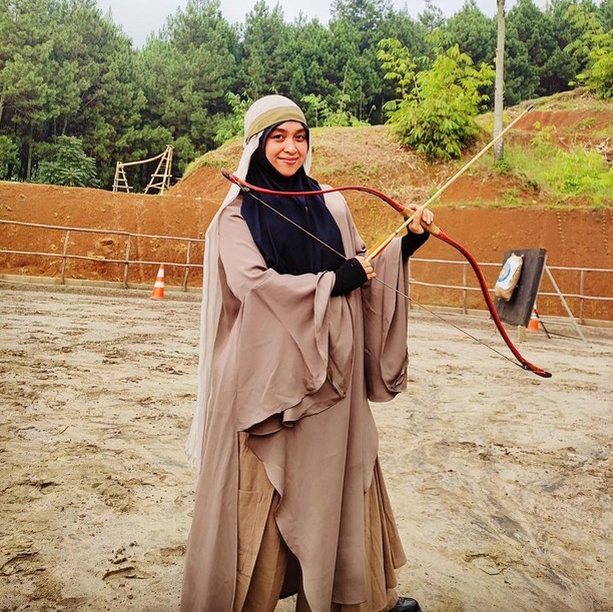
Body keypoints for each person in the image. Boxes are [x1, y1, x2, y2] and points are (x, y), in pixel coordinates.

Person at [180, 94, 434, 612]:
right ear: (257, 144)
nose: (291, 148)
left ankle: (345, 602)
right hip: (266, 386)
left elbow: (363, 271)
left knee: (335, 487)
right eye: (278, 137)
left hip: (332, 384)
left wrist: (405, 243)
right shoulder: (236, 217)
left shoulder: (332, 203)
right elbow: (253, 287)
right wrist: (330, 281)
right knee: (262, 498)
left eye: (299, 137)